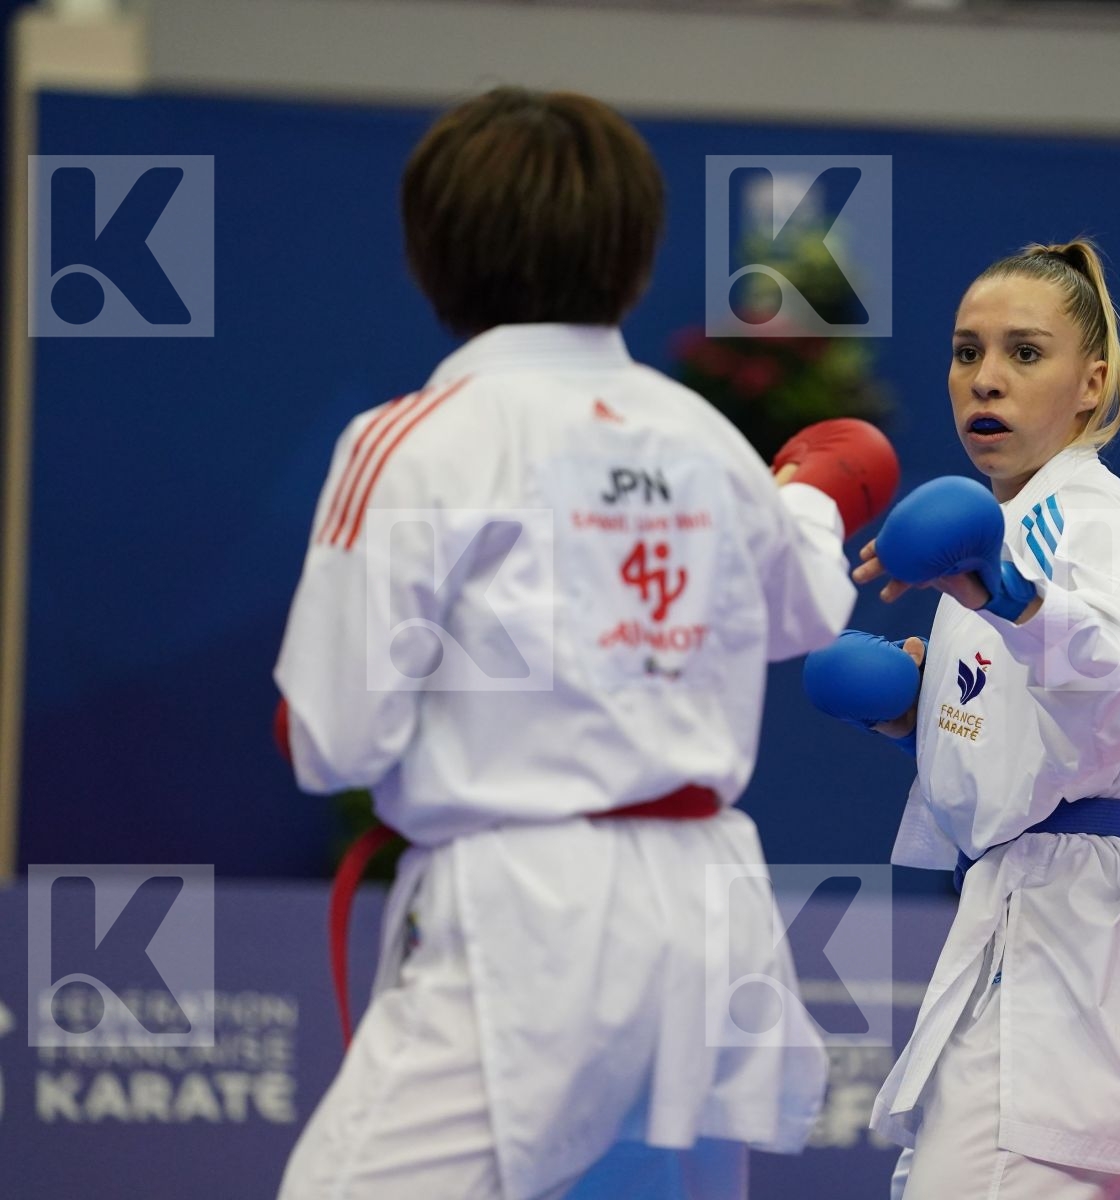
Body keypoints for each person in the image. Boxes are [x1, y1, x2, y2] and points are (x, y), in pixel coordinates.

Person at [272, 86, 898, 1200]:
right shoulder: (699, 435)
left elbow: (333, 742)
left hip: (530, 915)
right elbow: (803, 610)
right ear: (635, 257)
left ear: (433, 252)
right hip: (707, 915)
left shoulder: (418, 439)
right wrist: (808, 493)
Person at [804, 241, 1120, 1199]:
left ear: (1091, 385)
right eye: (968, 352)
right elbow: (1041, 742)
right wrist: (915, 715)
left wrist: (1013, 598)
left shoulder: (1071, 523)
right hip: (1047, 906)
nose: (988, 378)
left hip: (1073, 917)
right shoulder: (1013, 529)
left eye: (1024, 353)